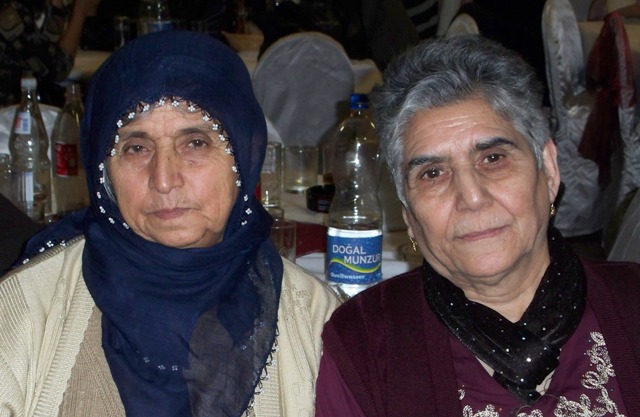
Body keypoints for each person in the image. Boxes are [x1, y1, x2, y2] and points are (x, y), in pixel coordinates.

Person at [0, 30, 339, 416]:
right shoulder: (27, 312)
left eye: (195, 143)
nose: (163, 179)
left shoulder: (316, 321)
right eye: (136, 148)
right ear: (103, 172)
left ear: (244, 155)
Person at [315, 35, 640, 416]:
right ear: (408, 216)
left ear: (549, 171)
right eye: (433, 173)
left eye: (493, 158)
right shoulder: (366, 343)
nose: (470, 197)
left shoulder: (632, 307)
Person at [0, 0, 100, 106]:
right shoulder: (7, 12)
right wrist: (80, 12)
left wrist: (57, 6)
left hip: (24, 101)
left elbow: (47, 44)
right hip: (10, 106)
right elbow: (58, 68)